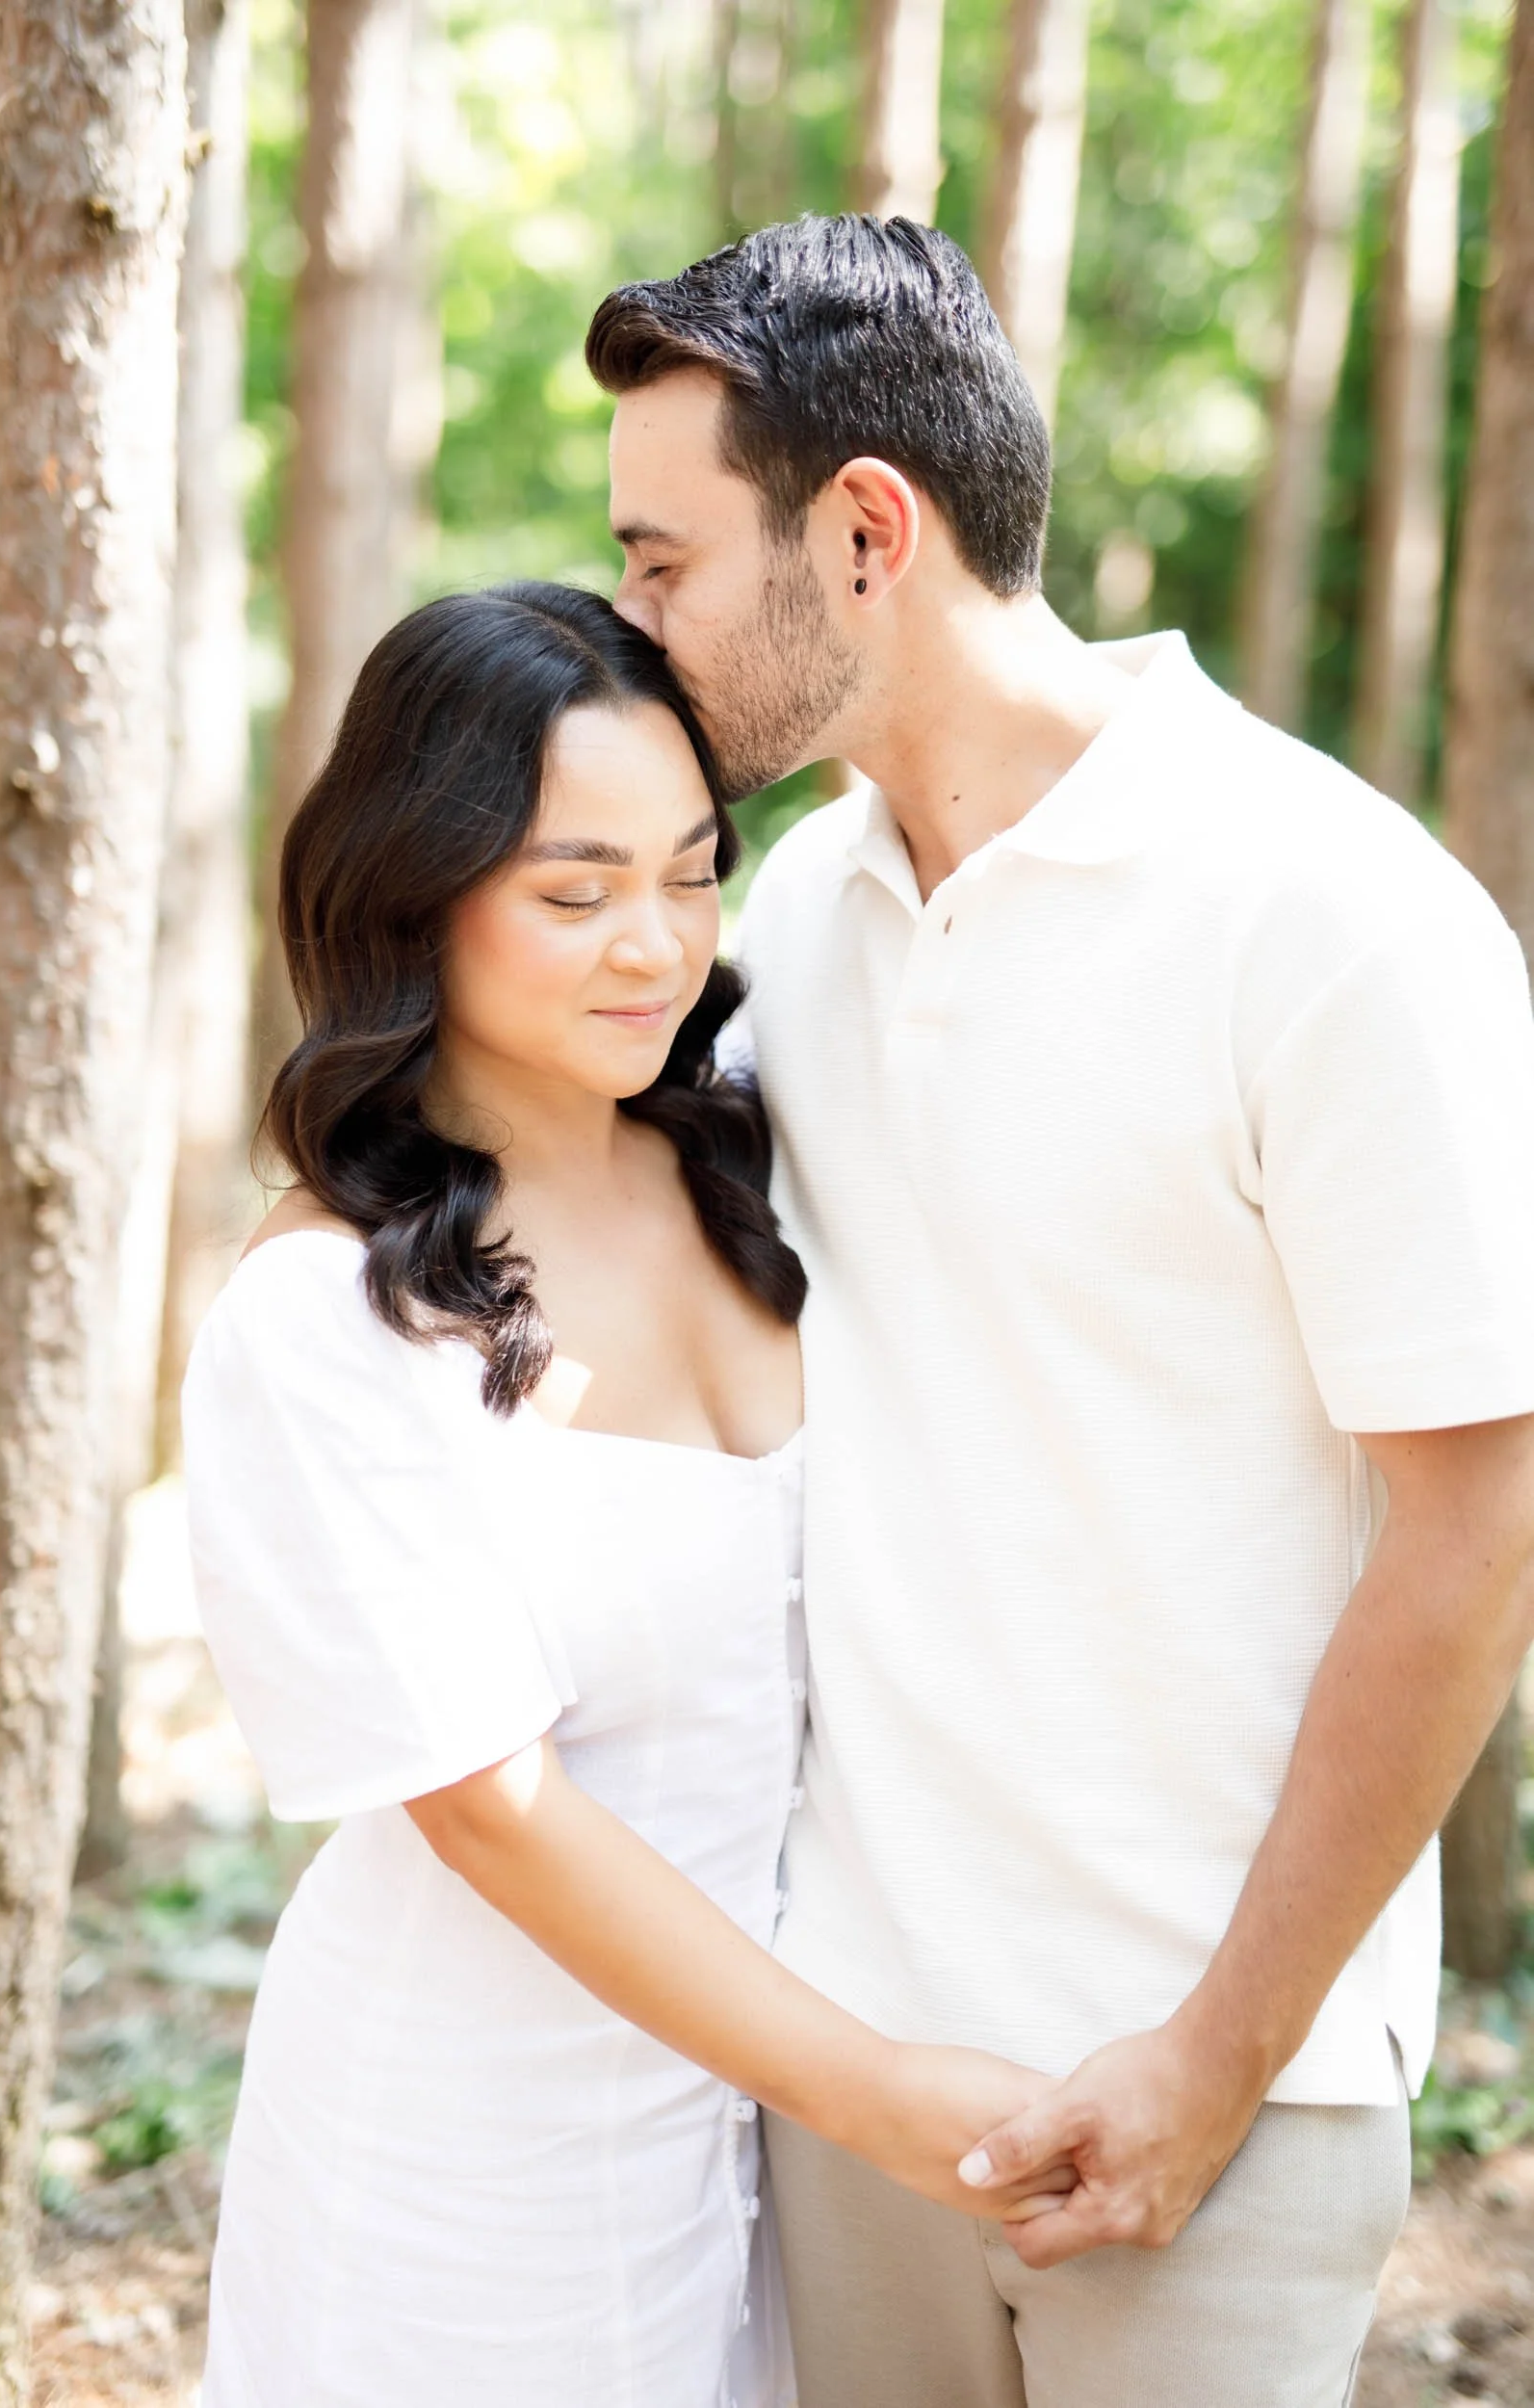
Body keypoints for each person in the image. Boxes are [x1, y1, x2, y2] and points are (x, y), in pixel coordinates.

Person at [585, 214, 1534, 2407]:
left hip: (1212, 2092)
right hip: (848, 2063)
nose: (629, 634)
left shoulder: (1333, 914)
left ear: (862, 529)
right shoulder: (779, 925)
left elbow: (1475, 1526)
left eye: (661, 564)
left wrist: (1217, 2052)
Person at [181, 584, 1061, 2408]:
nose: (652, 946)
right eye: (573, 894)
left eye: (687, 871)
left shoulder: (752, 1137)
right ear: (412, 901)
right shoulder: (320, 1314)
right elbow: (489, 1809)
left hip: (766, 2131)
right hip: (468, 2151)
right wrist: (867, 2090)